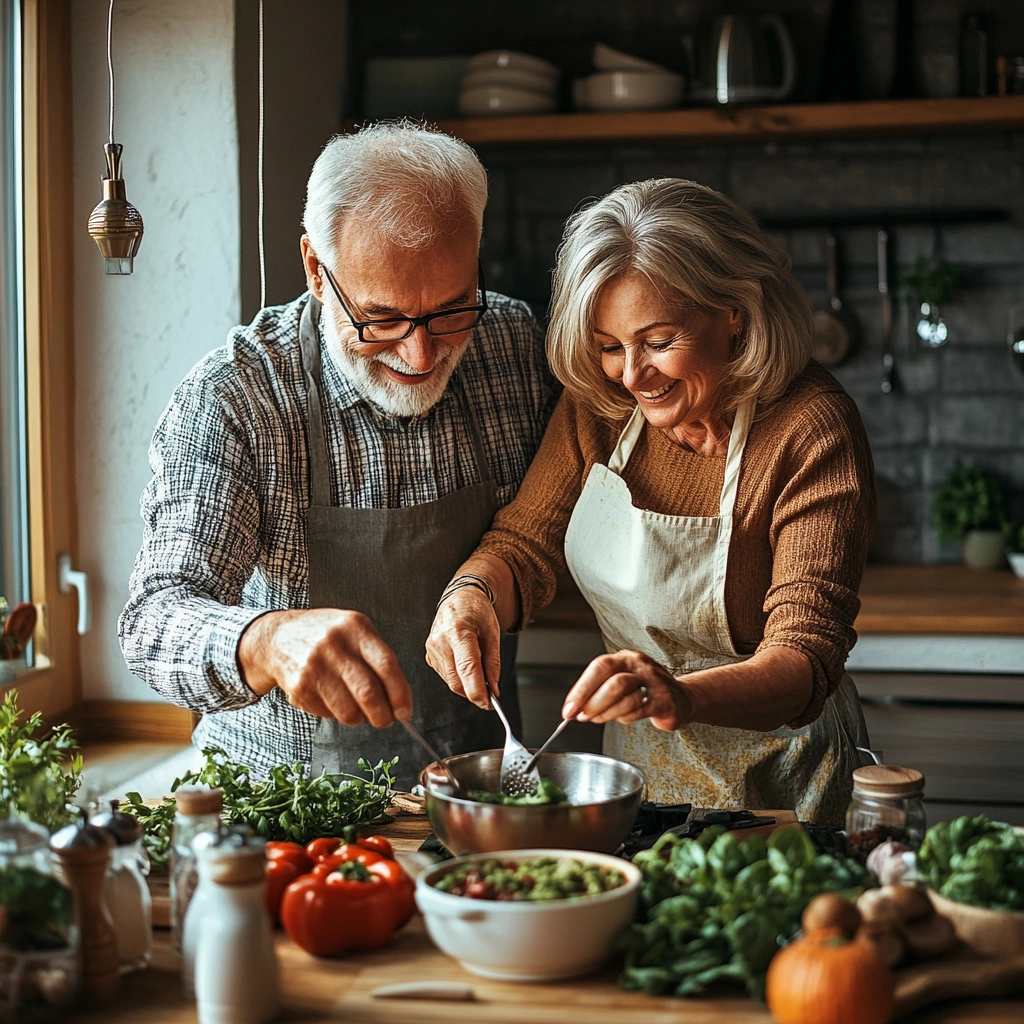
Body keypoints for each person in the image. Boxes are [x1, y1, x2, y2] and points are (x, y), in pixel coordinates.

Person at [119, 122, 556, 789]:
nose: (421, 355)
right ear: (317, 271)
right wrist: (264, 641)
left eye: (450, 309)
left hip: (475, 792)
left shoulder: (512, 345)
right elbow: (155, 619)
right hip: (284, 809)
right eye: (381, 320)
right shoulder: (237, 396)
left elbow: (557, 521)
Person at [427, 178, 876, 823]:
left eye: (658, 342)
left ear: (734, 314)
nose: (632, 375)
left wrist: (677, 696)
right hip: (639, 783)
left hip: (787, 787)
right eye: (610, 347)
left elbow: (803, 660)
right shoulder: (603, 406)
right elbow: (524, 543)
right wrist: (470, 596)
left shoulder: (811, 426)